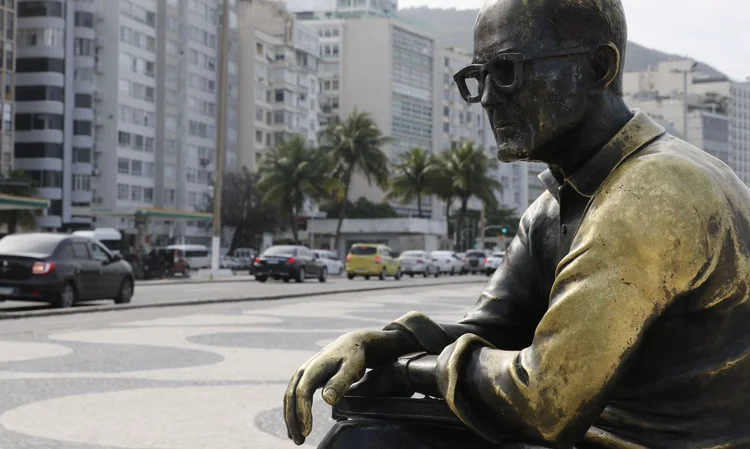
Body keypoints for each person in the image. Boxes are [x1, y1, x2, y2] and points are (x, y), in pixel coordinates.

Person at [284, 0, 750, 447]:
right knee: (370, 435)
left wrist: (411, 369)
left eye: (507, 72)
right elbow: (494, 326)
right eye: (478, 77)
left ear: (596, 68)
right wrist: (385, 344)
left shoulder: (653, 192)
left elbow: (546, 397)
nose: (487, 98)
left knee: (370, 443)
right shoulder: (556, 206)